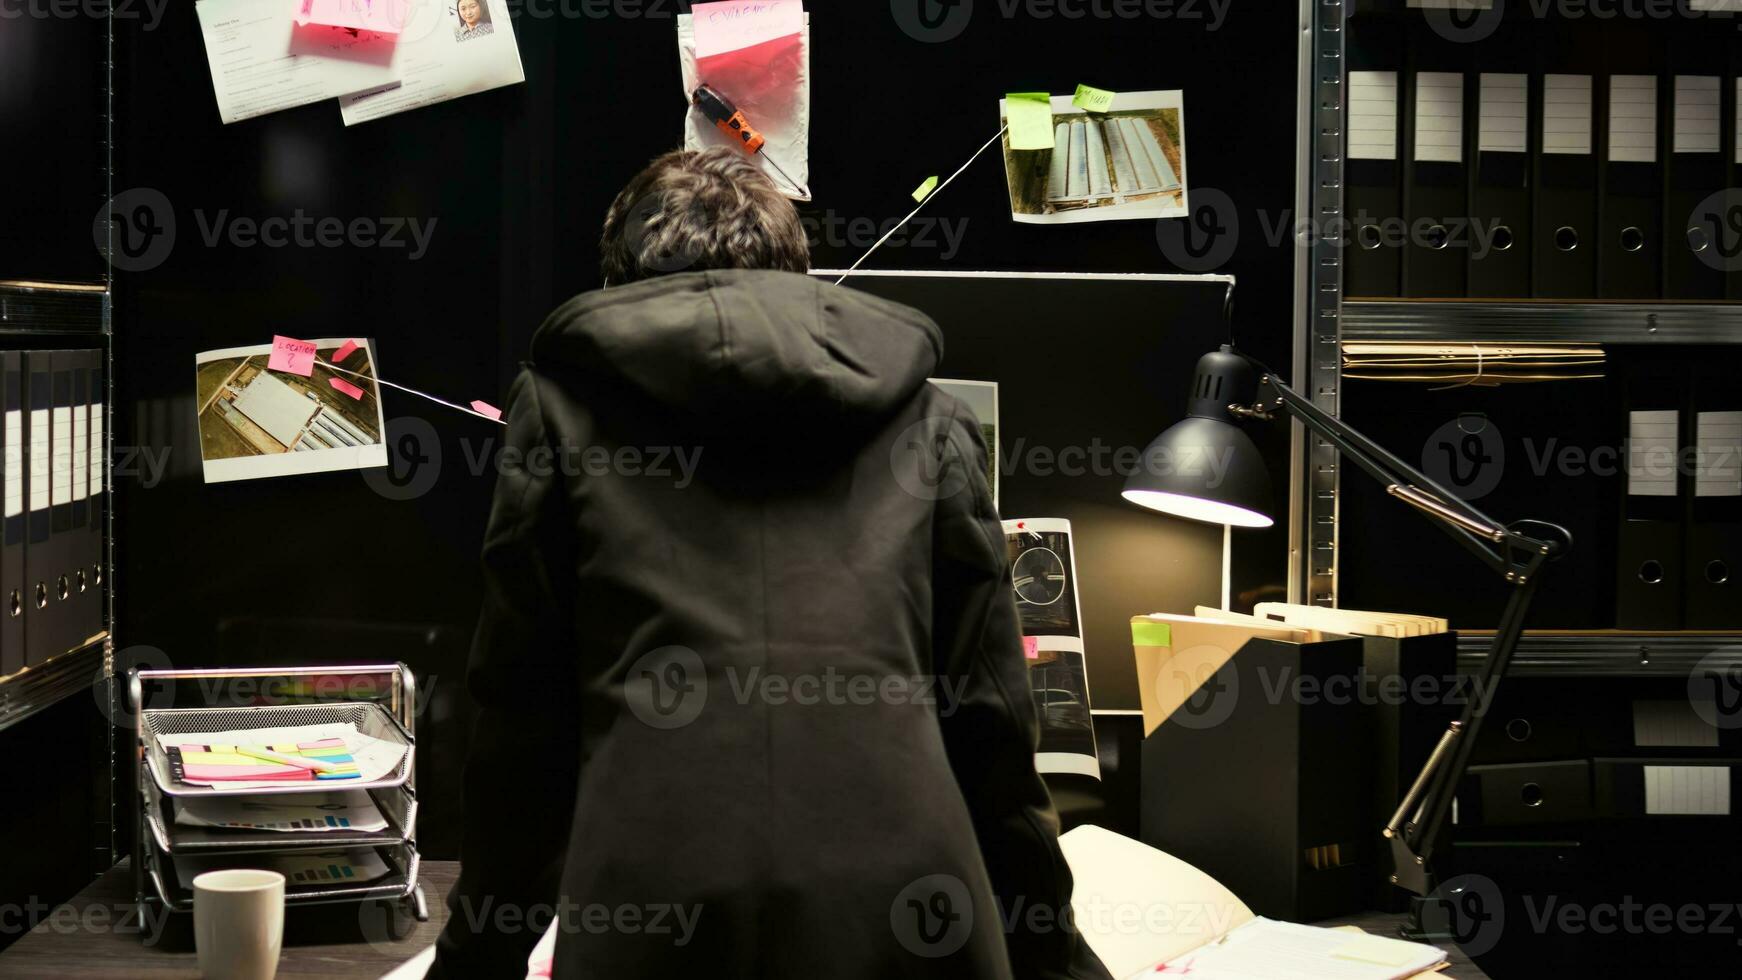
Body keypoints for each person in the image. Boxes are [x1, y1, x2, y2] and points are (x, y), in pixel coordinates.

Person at [429, 146, 1110, 980]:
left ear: (621, 290)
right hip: (916, 920)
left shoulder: (562, 418)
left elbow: (523, 741)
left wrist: (473, 965)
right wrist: (1059, 962)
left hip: (652, 924)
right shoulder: (928, 421)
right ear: (804, 281)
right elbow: (993, 733)